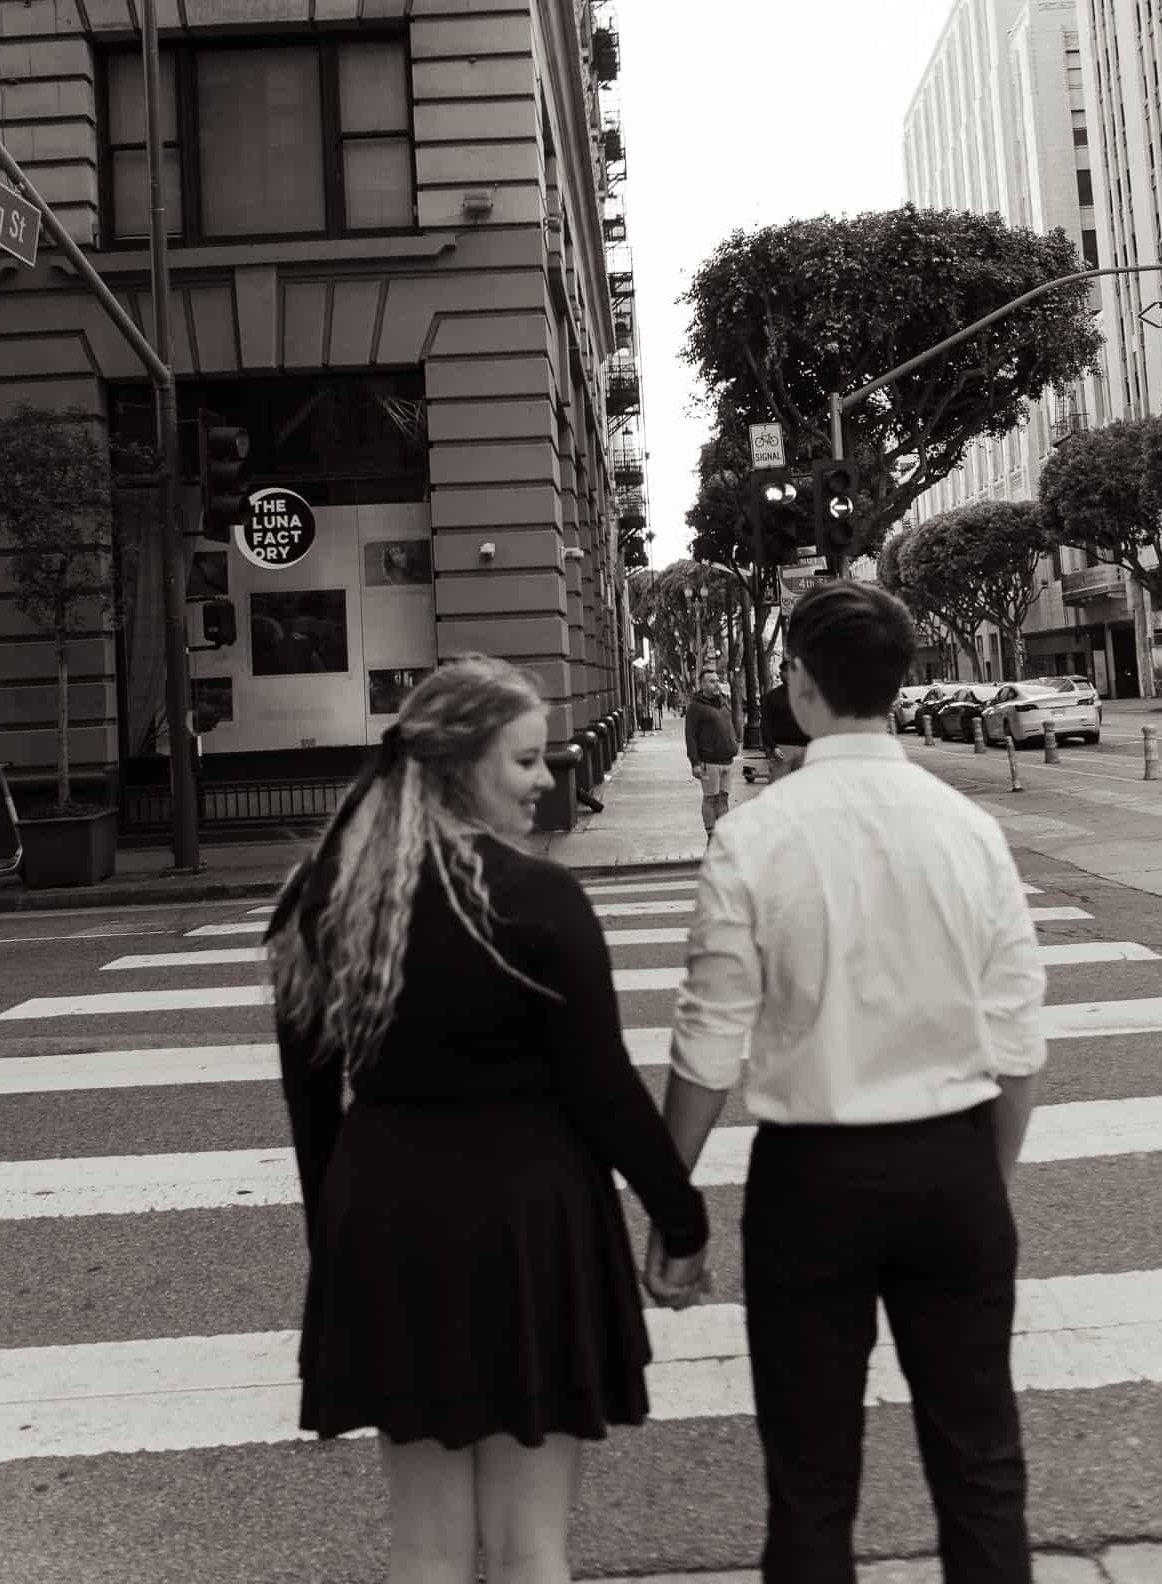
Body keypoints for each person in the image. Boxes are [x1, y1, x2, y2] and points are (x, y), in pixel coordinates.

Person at [265, 654, 709, 1584]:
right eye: (526, 761)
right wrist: (679, 1218)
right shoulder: (539, 901)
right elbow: (601, 1090)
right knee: (527, 1548)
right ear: (462, 762)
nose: (547, 779)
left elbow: (312, 1113)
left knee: (422, 1545)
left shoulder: (325, 897)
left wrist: (335, 1252)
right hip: (528, 1222)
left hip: (383, 1217)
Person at [650, 581, 1047, 1584]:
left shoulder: (755, 835)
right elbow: (1016, 1038)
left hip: (810, 1177)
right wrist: (983, 1174)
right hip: (954, 1157)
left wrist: (668, 1206)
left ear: (799, 684)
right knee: (981, 1465)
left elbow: (708, 1044)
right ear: (898, 678)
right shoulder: (969, 831)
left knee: (812, 1478)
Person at [684, 664, 738, 837]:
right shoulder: (696, 706)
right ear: (702, 685)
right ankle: (711, 836)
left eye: (717, 681)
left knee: (723, 798)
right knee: (710, 799)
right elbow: (690, 736)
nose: (717, 684)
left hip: (727, 760)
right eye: (712, 681)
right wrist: (695, 762)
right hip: (709, 762)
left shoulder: (723, 702)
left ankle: (723, 835)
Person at [759, 658, 810, 781]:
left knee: (803, 787)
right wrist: (773, 746)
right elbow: (766, 723)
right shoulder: (771, 697)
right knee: (779, 786)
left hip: (805, 748)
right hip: (782, 748)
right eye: (786, 671)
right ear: (781, 674)